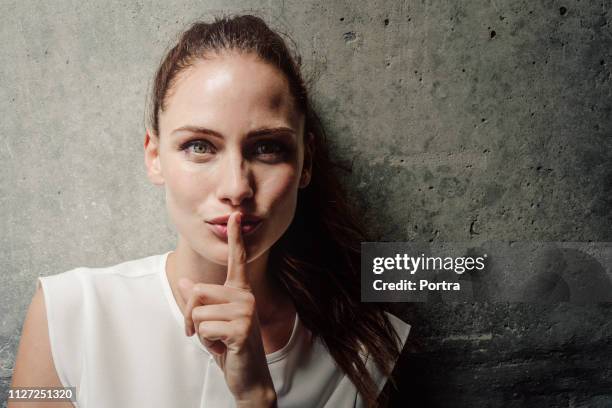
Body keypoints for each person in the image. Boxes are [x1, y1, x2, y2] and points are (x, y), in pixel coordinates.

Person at [10, 14, 410, 408]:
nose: (236, 187)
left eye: (267, 147)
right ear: (154, 156)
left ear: (306, 163)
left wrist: (256, 398)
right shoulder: (67, 313)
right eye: (199, 146)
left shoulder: (362, 352)